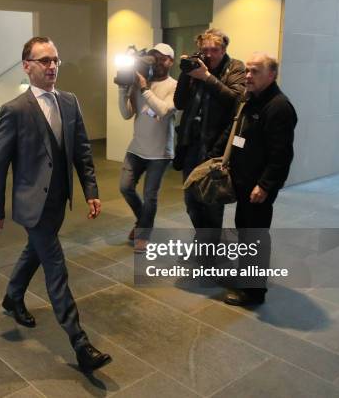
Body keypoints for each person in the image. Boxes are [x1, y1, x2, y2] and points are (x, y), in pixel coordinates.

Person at [0, 37, 111, 373]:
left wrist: (91, 191)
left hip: (58, 201)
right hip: (31, 204)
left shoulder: (69, 102)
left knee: (35, 252)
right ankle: (80, 343)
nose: (52, 66)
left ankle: (12, 297)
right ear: (27, 66)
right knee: (55, 266)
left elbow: (82, 150)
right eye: (43, 61)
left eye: (55, 59)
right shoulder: (14, 110)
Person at [209, 52, 297, 306]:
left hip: (257, 187)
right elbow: (240, 134)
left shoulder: (279, 107)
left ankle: (254, 292)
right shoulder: (251, 100)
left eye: (255, 71)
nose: (248, 75)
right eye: (247, 70)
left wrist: (265, 185)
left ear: (272, 75)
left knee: (255, 236)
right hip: (244, 182)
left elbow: (281, 155)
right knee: (245, 232)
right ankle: (247, 278)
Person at [173, 29, 245, 230]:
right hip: (191, 144)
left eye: (214, 49)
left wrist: (206, 77)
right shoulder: (196, 68)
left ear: (223, 50)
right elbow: (179, 103)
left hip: (216, 146)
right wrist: (186, 73)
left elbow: (235, 99)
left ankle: (210, 249)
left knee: (212, 201)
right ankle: (204, 238)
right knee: (191, 201)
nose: (209, 54)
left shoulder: (235, 68)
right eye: (205, 50)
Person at [117, 43, 177, 251]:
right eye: (153, 57)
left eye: (162, 58)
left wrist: (143, 88)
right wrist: (123, 90)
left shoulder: (175, 86)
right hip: (136, 148)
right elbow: (126, 114)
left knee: (150, 195)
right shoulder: (139, 82)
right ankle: (143, 220)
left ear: (171, 61)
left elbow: (163, 110)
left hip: (160, 153)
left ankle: (144, 232)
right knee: (125, 188)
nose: (157, 61)